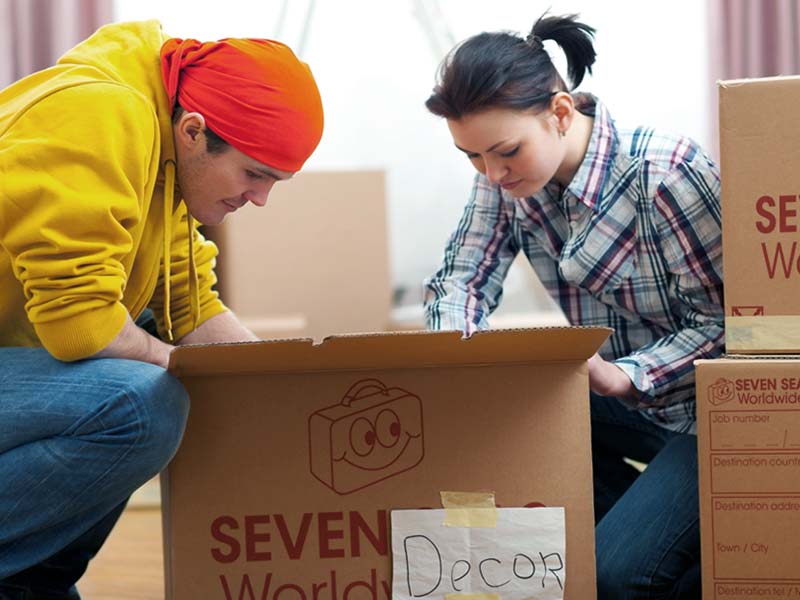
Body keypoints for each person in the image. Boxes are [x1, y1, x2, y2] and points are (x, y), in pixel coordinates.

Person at [0, 19, 323, 599]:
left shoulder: (166, 148)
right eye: (254, 174)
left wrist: (293, 392)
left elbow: (191, 307)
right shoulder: (97, 114)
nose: (260, 198)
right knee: (140, 401)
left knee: (150, 352)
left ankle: (31, 585)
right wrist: (176, 364)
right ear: (195, 132)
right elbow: (81, 327)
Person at [423, 13, 722, 600]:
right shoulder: (502, 180)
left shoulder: (666, 173)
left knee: (613, 575)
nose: (491, 173)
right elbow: (461, 278)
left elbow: (739, 328)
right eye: (472, 157)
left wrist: (625, 373)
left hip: (705, 415)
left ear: (561, 113)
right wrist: (454, 362)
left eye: (505, 152)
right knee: (503, 414)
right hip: (622, 401)